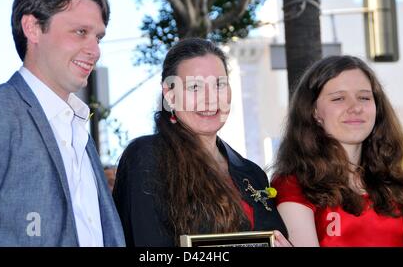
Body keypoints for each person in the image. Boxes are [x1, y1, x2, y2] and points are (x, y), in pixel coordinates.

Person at [0, 0, 125, 246]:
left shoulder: (79, 129)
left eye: (98, 37)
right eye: (80, 32)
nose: (95, 51)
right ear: (33, 28)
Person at [112, 37, 290, 247]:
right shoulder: (147, 158)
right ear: (170, 95)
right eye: (194, 87)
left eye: (219, 84)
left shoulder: (252, 174)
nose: (210, 98)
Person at [272, 55, 403, 247]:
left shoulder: (400, 187)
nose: (355, 108)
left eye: (364, 97)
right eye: (338, 98)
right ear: (314, 112)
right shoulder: (293, 186)